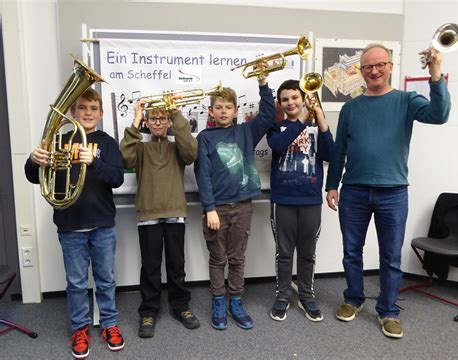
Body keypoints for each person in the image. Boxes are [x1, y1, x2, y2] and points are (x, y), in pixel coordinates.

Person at [325, 44, 451, 339]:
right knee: (351, 252)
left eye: (379, 64)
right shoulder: (351, 107)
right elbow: (339, 149)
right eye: (367, 66)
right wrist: (332, 184)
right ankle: (353, 299)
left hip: (393, 193)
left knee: (391, 256)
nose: (374, 71)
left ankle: (389, 311)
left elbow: (440, 114)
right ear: (361, 71)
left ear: (391, 67)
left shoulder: (406, 101)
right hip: (354, 191)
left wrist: (435, 72)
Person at [24, 88, 125, 358]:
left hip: (102, 223)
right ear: (72, 112)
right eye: (82, 108)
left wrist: (94, 162)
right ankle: (80, 328)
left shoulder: (108, 143)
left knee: (106, 279)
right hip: (70, 224)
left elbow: (117, 178)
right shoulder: (60, 139)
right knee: (77, 282)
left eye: (93, 109)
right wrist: (33, 161)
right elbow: (34, 177)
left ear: (101, 114)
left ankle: (109, 324)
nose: (88, 113)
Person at [194, 69, 276, 330]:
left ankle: (236, 301)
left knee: (237, 258)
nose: (223, 111)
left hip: (242, 207)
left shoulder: (246, 132)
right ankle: (218, 300)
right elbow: (203, 176)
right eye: (218, 107)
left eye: (228, 107)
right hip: (216, 209)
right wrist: (209, 209)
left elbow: (267, 115)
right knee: (218, 258)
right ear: (211, 111)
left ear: (236, 109)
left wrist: (263, 83)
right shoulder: (204, 138)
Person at [120, 99, 200, 338]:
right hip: (149, 214)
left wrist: (176, 115)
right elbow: (126, 157)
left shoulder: (177, 147)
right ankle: (149, 310)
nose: (157, 123)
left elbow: (191, 152)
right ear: (146, 122)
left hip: (175, 212)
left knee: (176, 265)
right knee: (151, 267)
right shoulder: (141, 149)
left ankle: (180, 306)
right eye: (152, 119)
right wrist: (135, 119)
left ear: (168, 122)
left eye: (162, 118)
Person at [267, 79, 334, 322]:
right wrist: (304, 120)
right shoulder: (276, 127)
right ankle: (283, 295)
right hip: (282, 200)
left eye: (295, 97)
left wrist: (321, 119)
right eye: (285, 99)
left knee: (308, 253)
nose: (290, 102)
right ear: (280, 103)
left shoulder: (316, 127)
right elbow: (279, 145)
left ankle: (306, 294)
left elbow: (330, 155)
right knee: (283, 253)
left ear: (303, 98)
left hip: (310, 200)